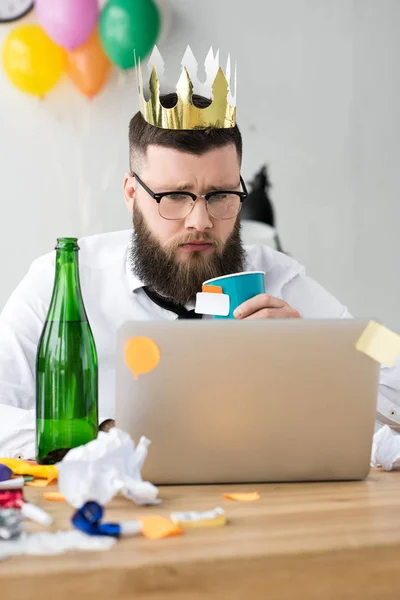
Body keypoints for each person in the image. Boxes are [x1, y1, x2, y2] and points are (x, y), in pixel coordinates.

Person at [0, 48, 399, 460]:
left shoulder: (284, 279)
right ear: (132, 193)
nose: (201, 221)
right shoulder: (60, 280)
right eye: (174, 196)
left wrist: (313, 354)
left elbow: (387, 353)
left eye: (221, 195)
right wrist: (104, 435)